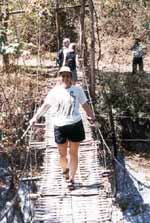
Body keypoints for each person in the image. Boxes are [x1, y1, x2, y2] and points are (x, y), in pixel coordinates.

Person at [29, 66, 95, 190]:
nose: (65, 78)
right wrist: (35, 117)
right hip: (60, 126)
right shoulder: (55, 91)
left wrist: (92, 117)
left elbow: (85, 104)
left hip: (75, 124)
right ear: (60, 77)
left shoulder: (78, 90)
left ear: (71, 77)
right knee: (62, 155)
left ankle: (71, 179)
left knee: (74, 153)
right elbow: (46, 106)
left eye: (67, 76)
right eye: (63, 76)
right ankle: (65, 172)